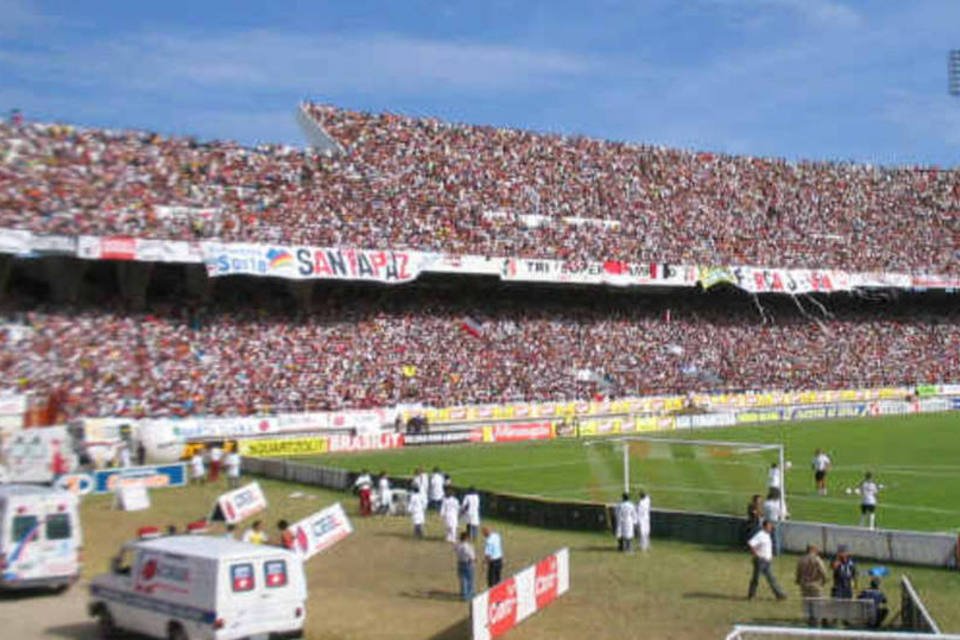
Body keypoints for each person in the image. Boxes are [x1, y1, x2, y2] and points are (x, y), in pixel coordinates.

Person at [747, 520, 787, 601]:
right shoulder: (760, 535)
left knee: (771, 578)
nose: (771, 528)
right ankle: (751, 595)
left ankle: (779, 594)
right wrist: (756, 555)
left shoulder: (767, 535)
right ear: (764, 526)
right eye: (769, 526)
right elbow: (751, 543)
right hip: (760, 560)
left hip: (767, 561)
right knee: (756, 578)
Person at [795, 544, 828, 625]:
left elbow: (798, 572)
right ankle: (817, 620)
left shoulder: (801, 559)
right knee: (818, 602)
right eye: (816, 549)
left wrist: (798, 580)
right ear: (813, 550)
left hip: (804, 584)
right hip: (815, 584)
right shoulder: (817, 559)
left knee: (807, 603)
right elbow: (823, 571)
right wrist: (824, 580)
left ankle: (809, 620)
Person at [455, 530, 476, 601]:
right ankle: (468, 594)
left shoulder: (458, 545)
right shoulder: (467, 546)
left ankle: (464, 593)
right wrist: (474, 559)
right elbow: (471, 555)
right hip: (468, 563)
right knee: (469, 579)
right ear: (466, 538)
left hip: (460, 562)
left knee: (463, 579)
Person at [762, 488, 783, 556]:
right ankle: (776, 551)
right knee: (776, 537)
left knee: (768, 537)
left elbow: (764, 512)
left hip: (768, 521)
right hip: (775, 521)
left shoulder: (767, 503)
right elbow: (781, 513)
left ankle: (769, 550)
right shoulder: (777, 504)